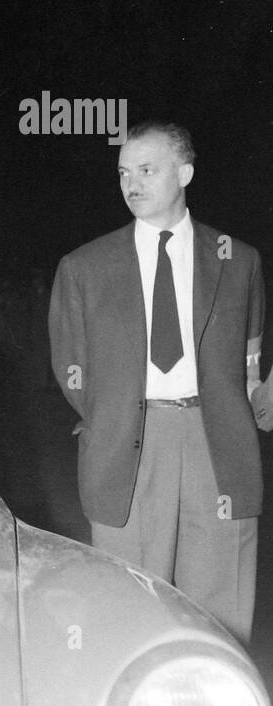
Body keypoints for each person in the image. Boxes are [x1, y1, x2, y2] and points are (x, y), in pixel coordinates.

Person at [49, 122, 271, 643]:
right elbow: (71, 369)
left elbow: (249, 360)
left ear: (185, 172)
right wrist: (117, 417)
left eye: (146, 170)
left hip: (216, 446)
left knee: (219, 615)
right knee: (131, 607)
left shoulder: (239, 261)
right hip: (130, 444)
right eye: (124, 173)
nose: (132, 183)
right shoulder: (85, 267)